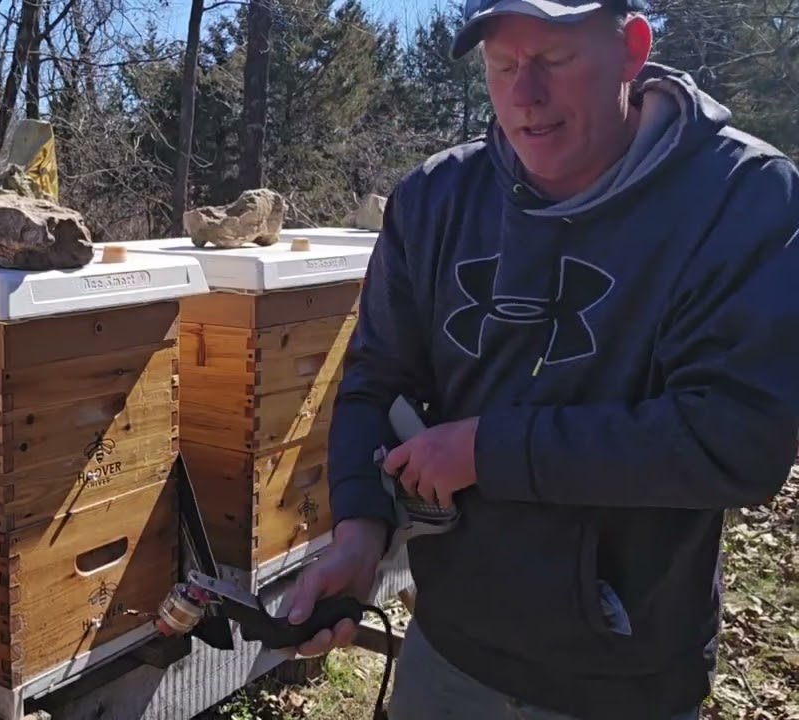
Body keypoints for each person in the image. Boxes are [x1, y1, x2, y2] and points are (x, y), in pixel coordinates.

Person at [282, 1, 799, 718]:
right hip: (449, 650)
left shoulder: (739, 197)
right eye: (503, 67)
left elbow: (737, 440)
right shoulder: (436, 198)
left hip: (623, 676)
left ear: (632, 51)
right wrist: (361, 532)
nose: (525, 97)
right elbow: (377, 380)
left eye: (555, 61)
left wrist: (487, 449)